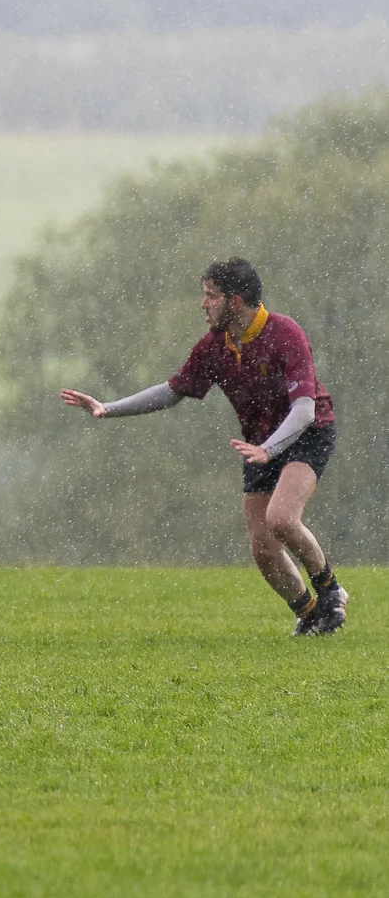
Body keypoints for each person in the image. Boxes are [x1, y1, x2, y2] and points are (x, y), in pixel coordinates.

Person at [59, 257, 349, 635]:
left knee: (280, 519)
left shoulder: (285, 333)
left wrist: (270, 449)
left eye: (211, 296)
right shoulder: (215, 346)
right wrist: (108, 408)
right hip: (257, 445)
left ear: (236, 301)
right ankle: (311, 616)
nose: (203, 304)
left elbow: (305, 410)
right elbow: (172, 391)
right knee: (262, 548)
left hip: (306, 433)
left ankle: (330, 591)